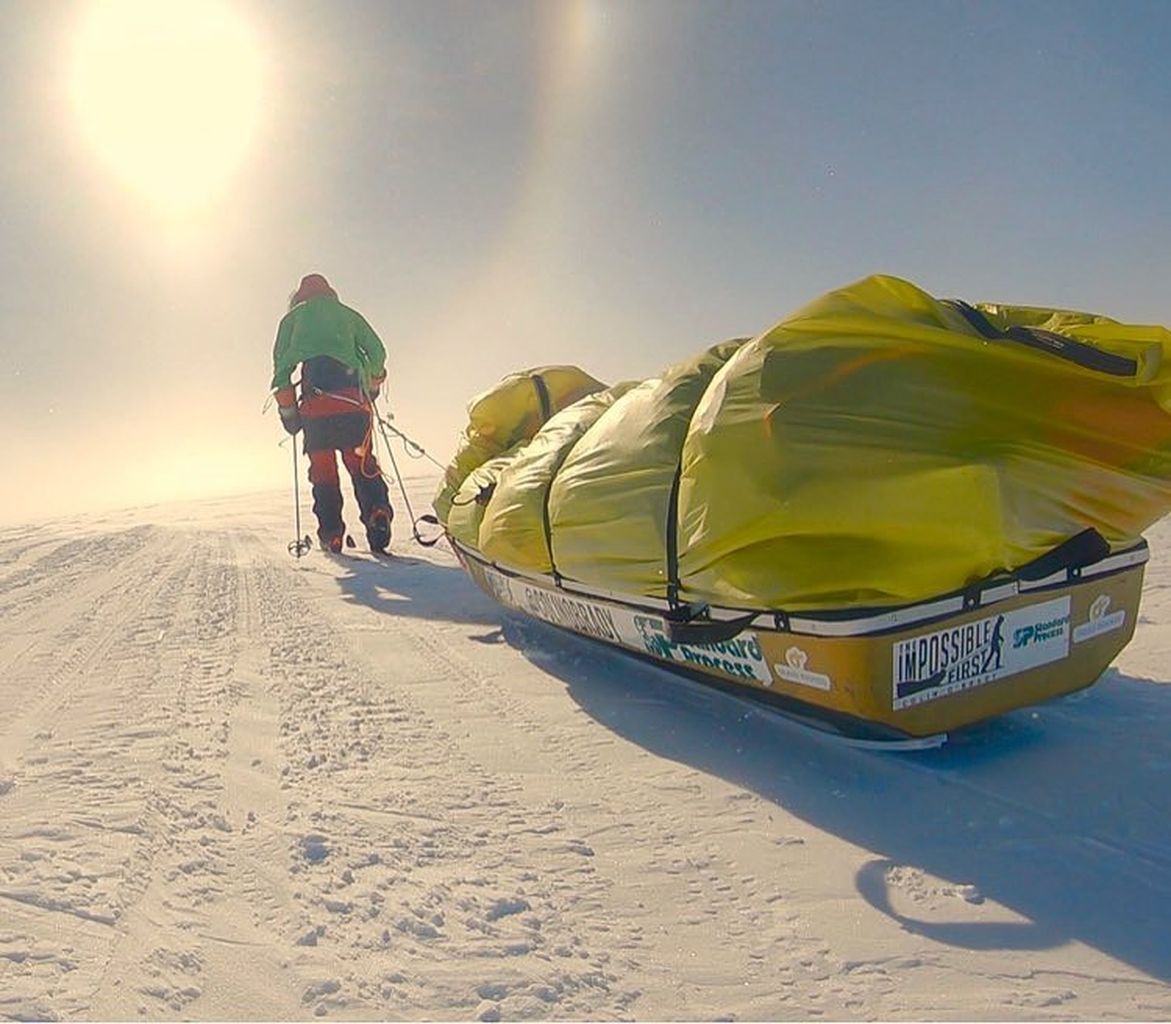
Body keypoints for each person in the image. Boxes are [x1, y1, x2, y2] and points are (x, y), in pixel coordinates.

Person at [271, 273, 394, 554]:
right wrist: (373, 384)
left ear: (299, 298)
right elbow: (377, 352)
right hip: (353, 405)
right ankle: (377, 511)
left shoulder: (292, 320)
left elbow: (281, 370)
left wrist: (288, 411)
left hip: (316, 409)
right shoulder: (348, 315)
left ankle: (331, 535)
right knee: (362, 464)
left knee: (323, 473)